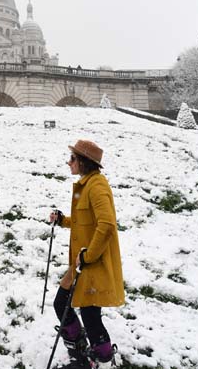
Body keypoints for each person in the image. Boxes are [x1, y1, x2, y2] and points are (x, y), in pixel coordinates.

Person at [48, 139, 124, 365]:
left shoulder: (97, 186)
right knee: (65, 305)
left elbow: (107, 225)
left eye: (72, 158)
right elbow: (84, 221)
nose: (68, 162)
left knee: (89, 314)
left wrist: (89, 256)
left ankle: (99, 357)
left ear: (83, 161)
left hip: (92, 262)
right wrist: (62, 221)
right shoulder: (87, 184)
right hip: (82, 262)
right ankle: (81, 351)